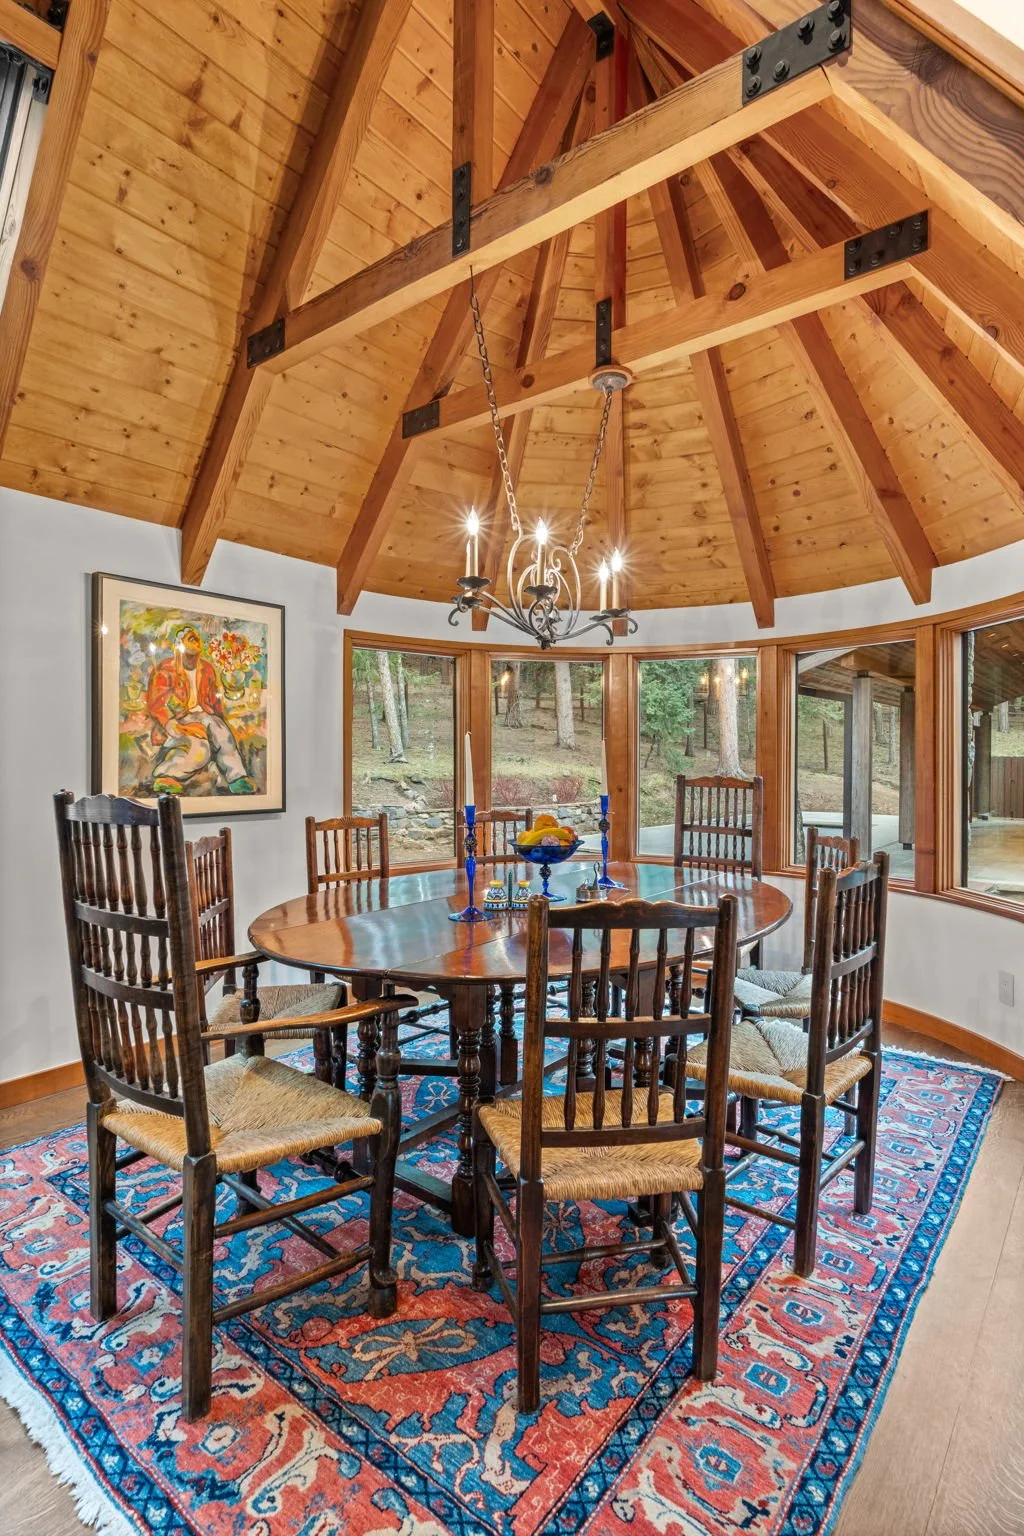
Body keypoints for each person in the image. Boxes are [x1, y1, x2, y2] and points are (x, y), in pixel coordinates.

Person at [146, 625, 256, 795]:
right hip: (178, 720)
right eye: (190, 639)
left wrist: (218, 721)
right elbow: (157, 703)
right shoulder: (166, 669)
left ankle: (237, 777)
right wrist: (172, 723)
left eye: (196, 639)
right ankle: (167, 776)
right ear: (179, 644)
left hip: (204, 717)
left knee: (220, 730)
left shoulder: (207, 669)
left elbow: (214, 703)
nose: (195, 642)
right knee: (201, 749)